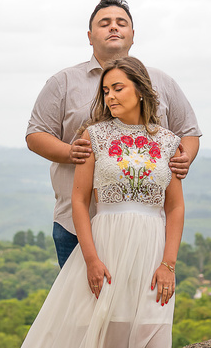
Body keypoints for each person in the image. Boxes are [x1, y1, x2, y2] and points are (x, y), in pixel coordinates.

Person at [26, 0, 201, 267]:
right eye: (104, 23)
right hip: (75, 223)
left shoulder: (162, 81)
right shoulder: (63, 82)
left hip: (145, 224)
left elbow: (188, 131)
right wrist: (71, 152)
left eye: (121, 23)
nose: (113, 28)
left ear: (132, 35)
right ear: (90, 36)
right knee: (81, 308)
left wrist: (183, 158)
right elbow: (35, 135)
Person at [21, 57, 183, 348]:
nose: (110, 96)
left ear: (141, 90)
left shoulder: (169, 142)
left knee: (154, 329)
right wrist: (91, 260)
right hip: (107, 243)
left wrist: (168, 265)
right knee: (110, 332)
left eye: (118, 88)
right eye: (106, 90)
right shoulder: (94, 136)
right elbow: (79, 201)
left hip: (152, 245)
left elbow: (175, 207)